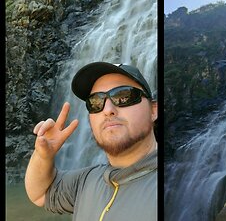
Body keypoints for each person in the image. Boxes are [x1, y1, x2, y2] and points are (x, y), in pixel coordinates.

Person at [24, 62, 158, 220]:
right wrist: (43, 155)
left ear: (153, 110)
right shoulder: (86, 181)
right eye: (96, 102)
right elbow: (39, 194)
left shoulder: (178, 188)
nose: (107, 110)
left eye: (123, 96)